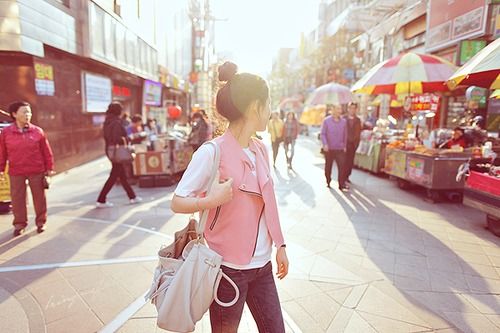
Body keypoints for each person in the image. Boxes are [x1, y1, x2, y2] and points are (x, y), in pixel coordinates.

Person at [171, 61, 289, 333]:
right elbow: (177, 201)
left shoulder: (261, 149)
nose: (270, 112)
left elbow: (268, 202)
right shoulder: (212, 152)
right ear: (254, 107)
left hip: (263, 267)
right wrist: (210, 200)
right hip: (227, 269)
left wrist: (280, 244)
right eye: (268, 103)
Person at [0, 101, 55, 236]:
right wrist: (1, 169)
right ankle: (19, 224)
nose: (28, 115)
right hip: (16, 170)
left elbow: (46, 151)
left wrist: (49, 168)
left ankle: (41, 222)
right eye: (24, 112)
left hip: (36, 169)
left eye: (29, 112)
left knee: (39, 198)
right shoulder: (6, 132)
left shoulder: (37, 131)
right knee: (17, 199)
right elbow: (2, 152)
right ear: (14, 114)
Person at [96, 102, 142, 208]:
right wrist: (129, 138)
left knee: (121, 176)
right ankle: (101, 200)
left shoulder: (107, 121)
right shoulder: (116, 122)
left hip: (111, 151)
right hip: (117, 152)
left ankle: (132, 197)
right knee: (114, 176)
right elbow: (117, 139)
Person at [321, 104, 348, 191]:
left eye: (340, 109)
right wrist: (325, 144)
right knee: (328, 166)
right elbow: (323, 134)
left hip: (340, 148)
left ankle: (341, 184)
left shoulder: (344, 122)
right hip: (329, 148)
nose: (339, 111)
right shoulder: (326, 121)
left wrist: (344, 145)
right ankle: (328, 180)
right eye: (337, 109)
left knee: (342, 166)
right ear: (332, 110)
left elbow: (345, 134)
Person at [344, 102, 361, 183]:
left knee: (350, 162)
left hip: (353, 144)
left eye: (354, 108)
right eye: (351, 108)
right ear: (348, 109)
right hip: (344, 144)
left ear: (356, 110)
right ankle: (342, 177)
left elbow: (358, 133)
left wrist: (356, 144)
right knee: (343, 161)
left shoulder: (358, 120)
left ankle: (347, 176)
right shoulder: (343, 119)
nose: (352, 110)